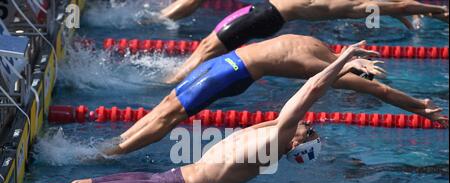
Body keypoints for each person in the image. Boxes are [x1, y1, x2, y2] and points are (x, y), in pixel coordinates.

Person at [36, 41, 377, 183]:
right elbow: (299, 102)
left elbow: (310, 90)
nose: (310, 124)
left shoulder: (276, 140)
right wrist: (344, 67)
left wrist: (342, 58)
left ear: (296, 142)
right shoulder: (270, 135)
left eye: (310, 131)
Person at [101, 35, 446, 156]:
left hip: (226, 63)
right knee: (171, 116)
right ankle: (113, 152)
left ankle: (117, 142)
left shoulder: (318, 47)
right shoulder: (321, 67)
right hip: (230, 75)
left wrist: (352, 60)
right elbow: (380, 90)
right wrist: (421, 108)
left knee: (167, 108)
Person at [167, 0, 449, 83]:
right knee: (204, 51)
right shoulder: (348, 5)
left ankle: (167, 83)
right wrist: (430, 11)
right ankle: (172, 79)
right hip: (263, 16)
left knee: (204, 53)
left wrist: (438, 11)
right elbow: (398, 6)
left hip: (261, 15)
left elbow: (399, 5)